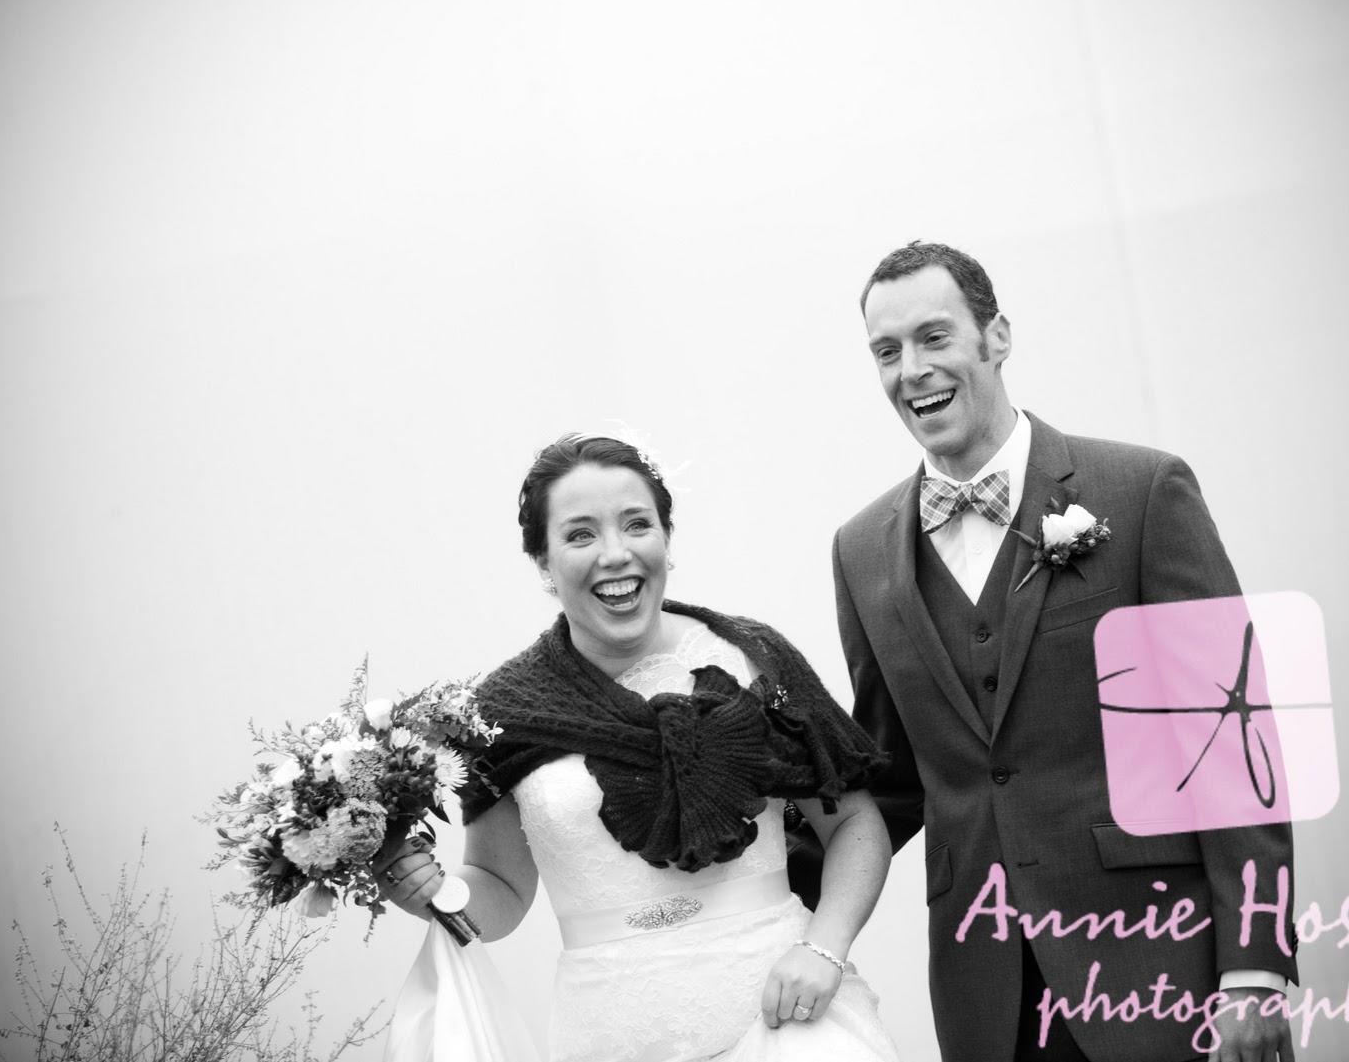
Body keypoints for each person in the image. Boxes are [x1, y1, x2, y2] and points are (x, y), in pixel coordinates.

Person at [826, 242, 1298, 1062]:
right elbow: (891, 781)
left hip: (1164, 965)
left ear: (997, 336)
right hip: (989, 997)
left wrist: (1254, 966)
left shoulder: (1142, 491)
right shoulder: (861, 551)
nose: (912, 370)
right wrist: (746, 886)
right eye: (886, 351)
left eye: (934, 337)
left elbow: (1231, 736)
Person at [378, 434, 903, 1062]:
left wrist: (824, 948)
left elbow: (854, 823)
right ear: (542, 563)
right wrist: (430, 892)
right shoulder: (500, 716)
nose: (616, 553)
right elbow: (502, 893)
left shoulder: (753, 659)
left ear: (666, 539)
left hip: (786, 1020)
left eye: (637, 524)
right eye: (580, 534)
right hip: (609, 1037)